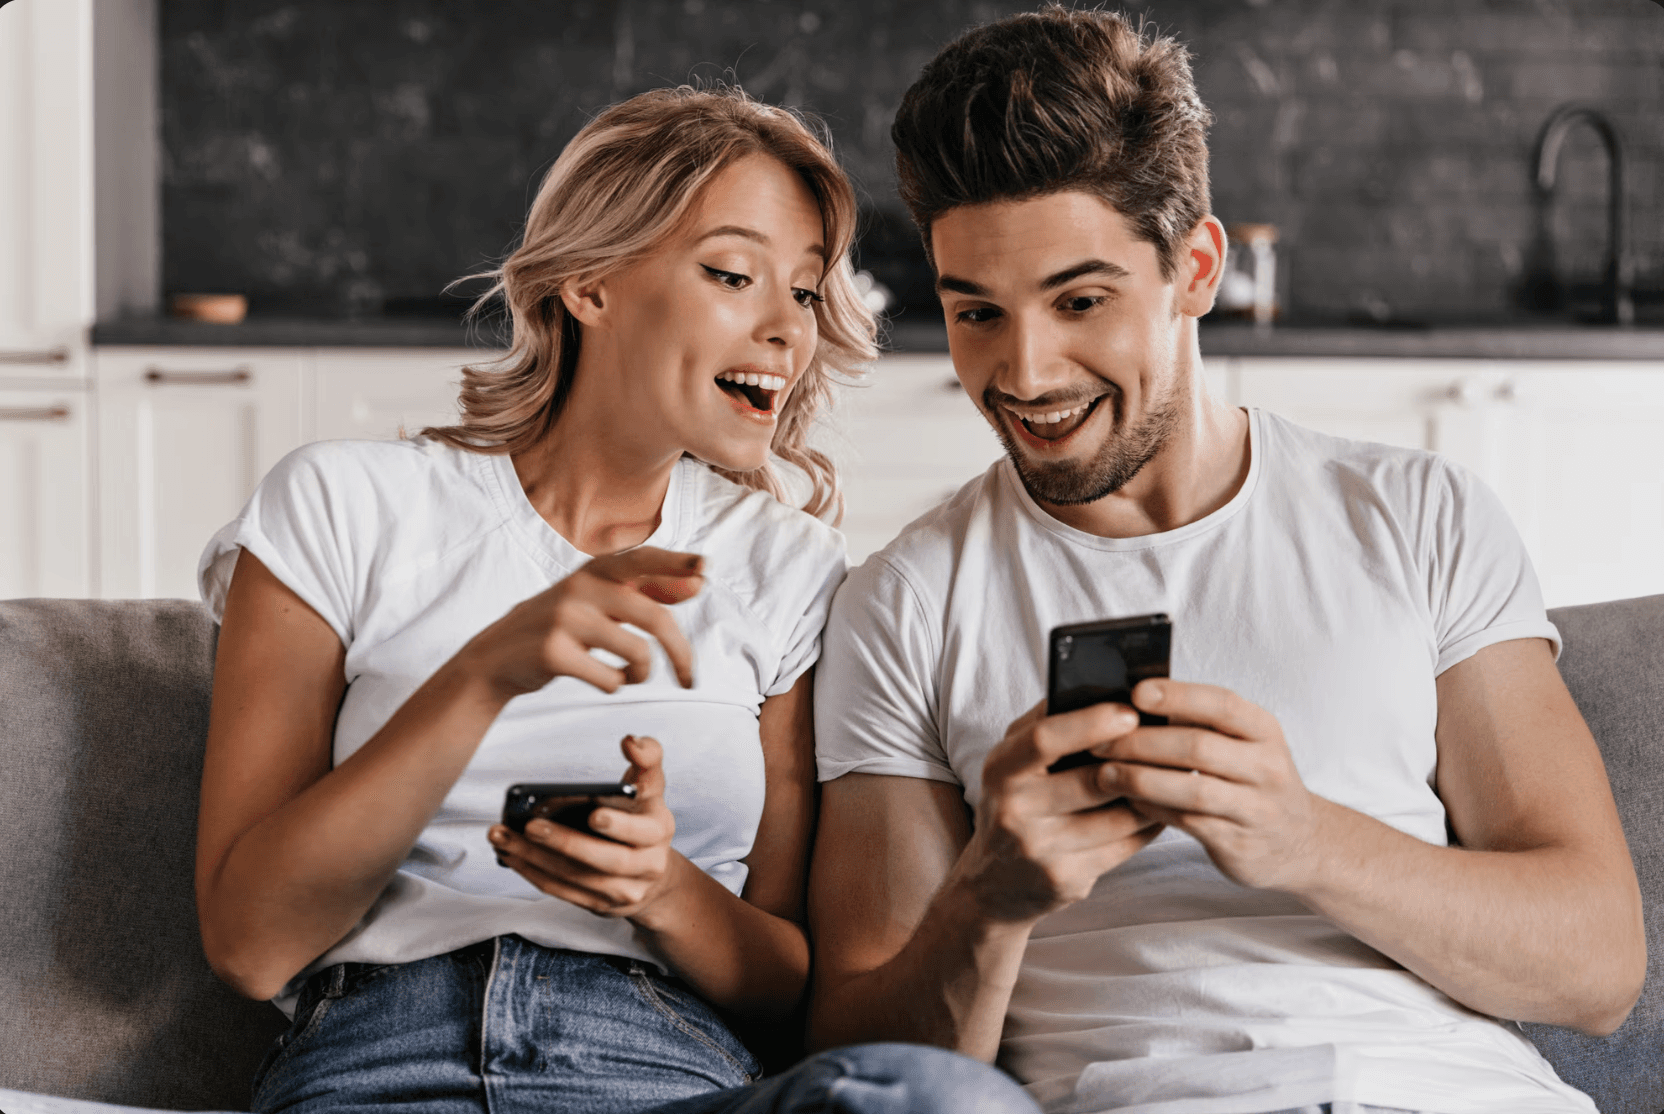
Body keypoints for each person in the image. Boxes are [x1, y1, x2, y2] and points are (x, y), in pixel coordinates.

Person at [806, 10, 1645, 1114]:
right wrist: (988, 898)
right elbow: (865, 1070)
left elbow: (1595, 969)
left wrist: (1305, 840)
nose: (1023, 371)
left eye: (1079, 301)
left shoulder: (1415, 516)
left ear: (1194, 268)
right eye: (976, 313)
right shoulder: (904, 601)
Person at [195, 84, 1039, 1114]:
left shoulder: (787, 565)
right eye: (734, 274)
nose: (787, 330)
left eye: (808, 292)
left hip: (660, 1068)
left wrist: (660, 889)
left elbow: (793, 993)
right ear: (588, 284)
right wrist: (484, 675)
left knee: (938, 1097)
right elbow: (248, 942)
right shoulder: (343, 502)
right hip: (382, 1062)